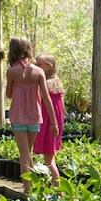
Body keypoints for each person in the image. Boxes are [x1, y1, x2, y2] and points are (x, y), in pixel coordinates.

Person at [6, 37, 58, 193]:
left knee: (24, 155)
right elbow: (46, 97)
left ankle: (28, 191)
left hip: (18, 117)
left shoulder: (12, 71)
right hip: (35, 118)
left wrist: (16, 86)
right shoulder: (39, 71)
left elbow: (8, 94)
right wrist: (53, 122)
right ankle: (33, 186)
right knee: (28, 153)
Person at [33, 54, 66, 187]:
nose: (37, 67)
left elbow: (39, 101)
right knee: (49, 156)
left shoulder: (45, 84)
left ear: (49, 66)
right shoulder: (57, 83)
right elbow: (62, 107)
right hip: (56, 122)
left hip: (48, 124)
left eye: (39, 64)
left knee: (49, 159)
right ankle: (50, 186)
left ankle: (58, 190)